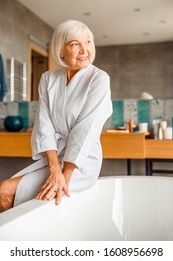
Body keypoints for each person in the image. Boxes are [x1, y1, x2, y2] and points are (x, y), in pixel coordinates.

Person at [0, 19, 112, 212]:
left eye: (88, 42)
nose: (85, 50)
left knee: (6, 191)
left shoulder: (99, 79)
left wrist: (64, 177)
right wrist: (54, 169)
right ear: (61, 50)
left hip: (80, 163)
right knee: (5, 191)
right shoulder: (48, 79)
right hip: (53, 159)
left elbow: (86, 131)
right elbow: (45, 126)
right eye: (75, 44)